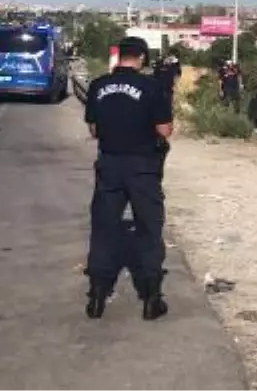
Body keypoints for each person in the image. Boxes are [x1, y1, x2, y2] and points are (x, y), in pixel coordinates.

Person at [83, 36, 174, 321]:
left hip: (109, 164)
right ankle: (151, 298)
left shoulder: (98, 86)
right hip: (143, 168)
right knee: (149, 230)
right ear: (142, 58)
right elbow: (164, 130)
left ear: (119, 57)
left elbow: (94, 130)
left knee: (103, 228)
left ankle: (96, 297)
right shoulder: (152, 87)